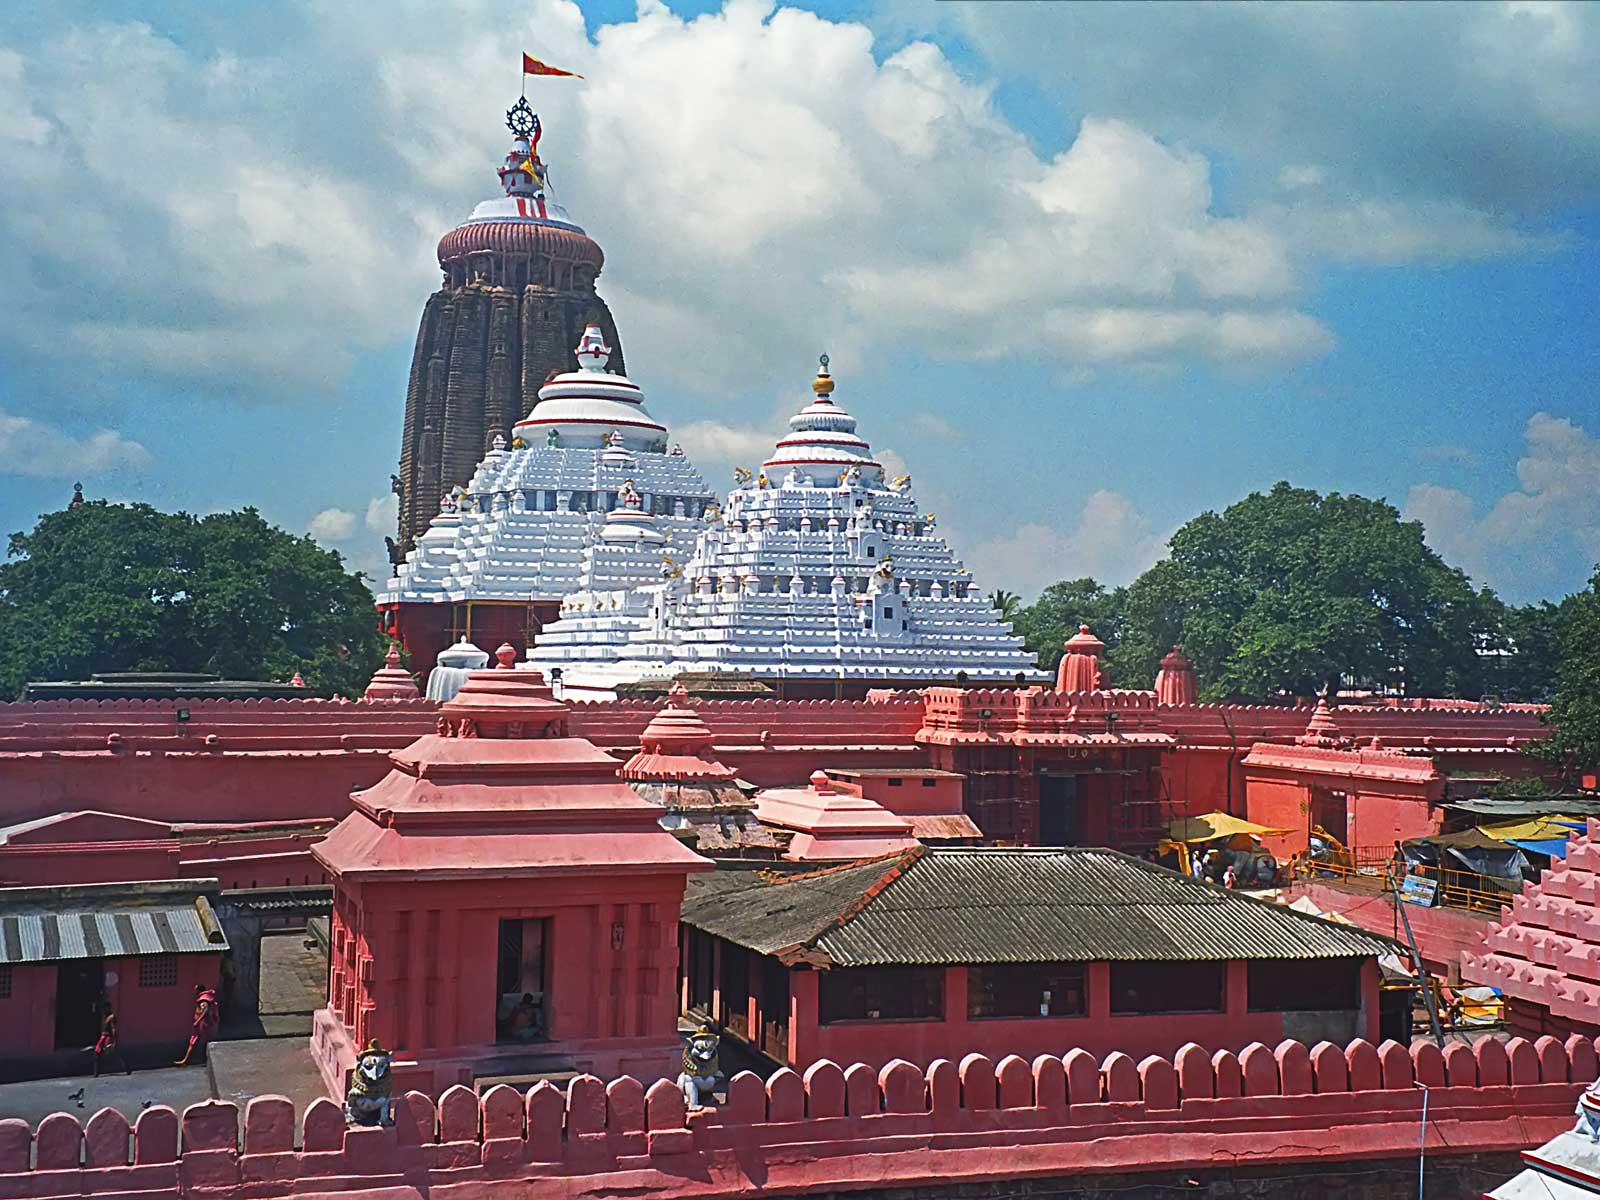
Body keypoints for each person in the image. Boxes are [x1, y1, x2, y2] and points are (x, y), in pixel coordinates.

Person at [175, 984, 220, 1066]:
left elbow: (205, 1011)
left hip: (203, 1025)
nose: (194, 992)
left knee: (203, 1042)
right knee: (194, 1042)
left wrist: (197, 1022)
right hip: (202, 1025)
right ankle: (186, 1060)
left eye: (196, 990)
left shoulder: (204, 1000)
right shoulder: (205, 998)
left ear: (199, 990)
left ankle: (204, 1060)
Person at [92, 1004, 131, 1077]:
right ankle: (96, 1073)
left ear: (108, 1008)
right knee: (96, 1054)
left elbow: (113, 1029)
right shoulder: (105, 1017)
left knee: (114, 1054)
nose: (104, 1010)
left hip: (108, 1038)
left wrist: (114, 1041)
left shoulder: (111, 1017)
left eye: (105, 1009)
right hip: (103, 1037)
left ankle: (127, 1067)